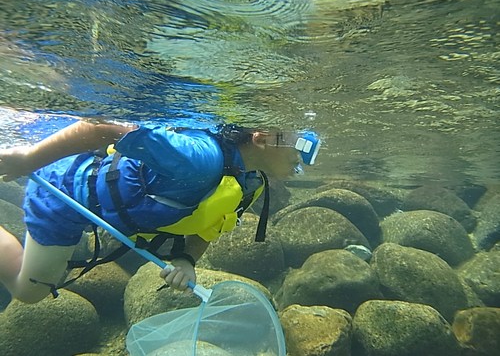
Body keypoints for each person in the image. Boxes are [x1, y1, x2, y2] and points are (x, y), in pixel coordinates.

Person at [0, 119, 320, 303]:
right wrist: (30, 160)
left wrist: (186, 259)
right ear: (262, 138)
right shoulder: (199, 159)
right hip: (62, 191)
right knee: (28, 292)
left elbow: (209, 225)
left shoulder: (250, 181)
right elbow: (103, 127)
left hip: (91, 205)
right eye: (301, 148)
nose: (302, 164)